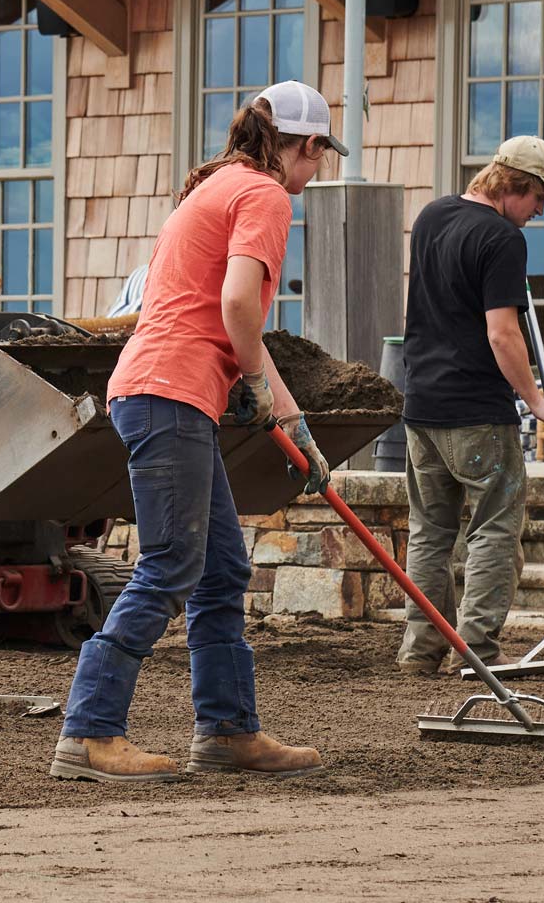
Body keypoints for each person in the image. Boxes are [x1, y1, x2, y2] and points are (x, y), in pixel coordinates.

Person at [51, 80, 341, 783]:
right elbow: (239, 301)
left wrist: (291, 417)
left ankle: (228, 731)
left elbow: (236, 322)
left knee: (219, 568)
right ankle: (89, 731)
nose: (318, 171)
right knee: (173, 564)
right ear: (302, 147)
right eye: (320, 156)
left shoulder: (218, 184)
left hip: (163, 390)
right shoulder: (264, 195)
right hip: (170, 392)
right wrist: (248, 382)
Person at [397, 134, 544, 674]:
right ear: (515, 186)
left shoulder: (431, 216)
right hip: (476, 411)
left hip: (422, 407)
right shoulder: (501, 239)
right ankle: (477, 655)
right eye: (539, 199)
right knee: (494, 530)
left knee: (430, 533)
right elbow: (503, 335)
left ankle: (420, 652)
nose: (540, 213)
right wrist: (537, 401)